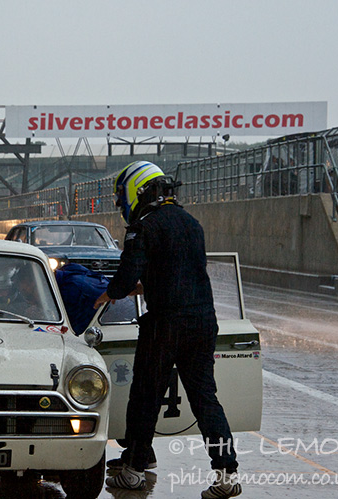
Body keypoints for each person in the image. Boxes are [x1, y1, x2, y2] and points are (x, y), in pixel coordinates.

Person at [94, 161, 241, 498]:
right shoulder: (192, 223)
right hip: (203, 321)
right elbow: (180, 271)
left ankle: (133, 470)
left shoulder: (144, 226)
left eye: (122, 197)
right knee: (206, 399)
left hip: (166, 324)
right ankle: (227, 474)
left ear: (137, 190)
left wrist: (110, 293)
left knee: (145, 397)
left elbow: (128, 276)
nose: (121, 205)